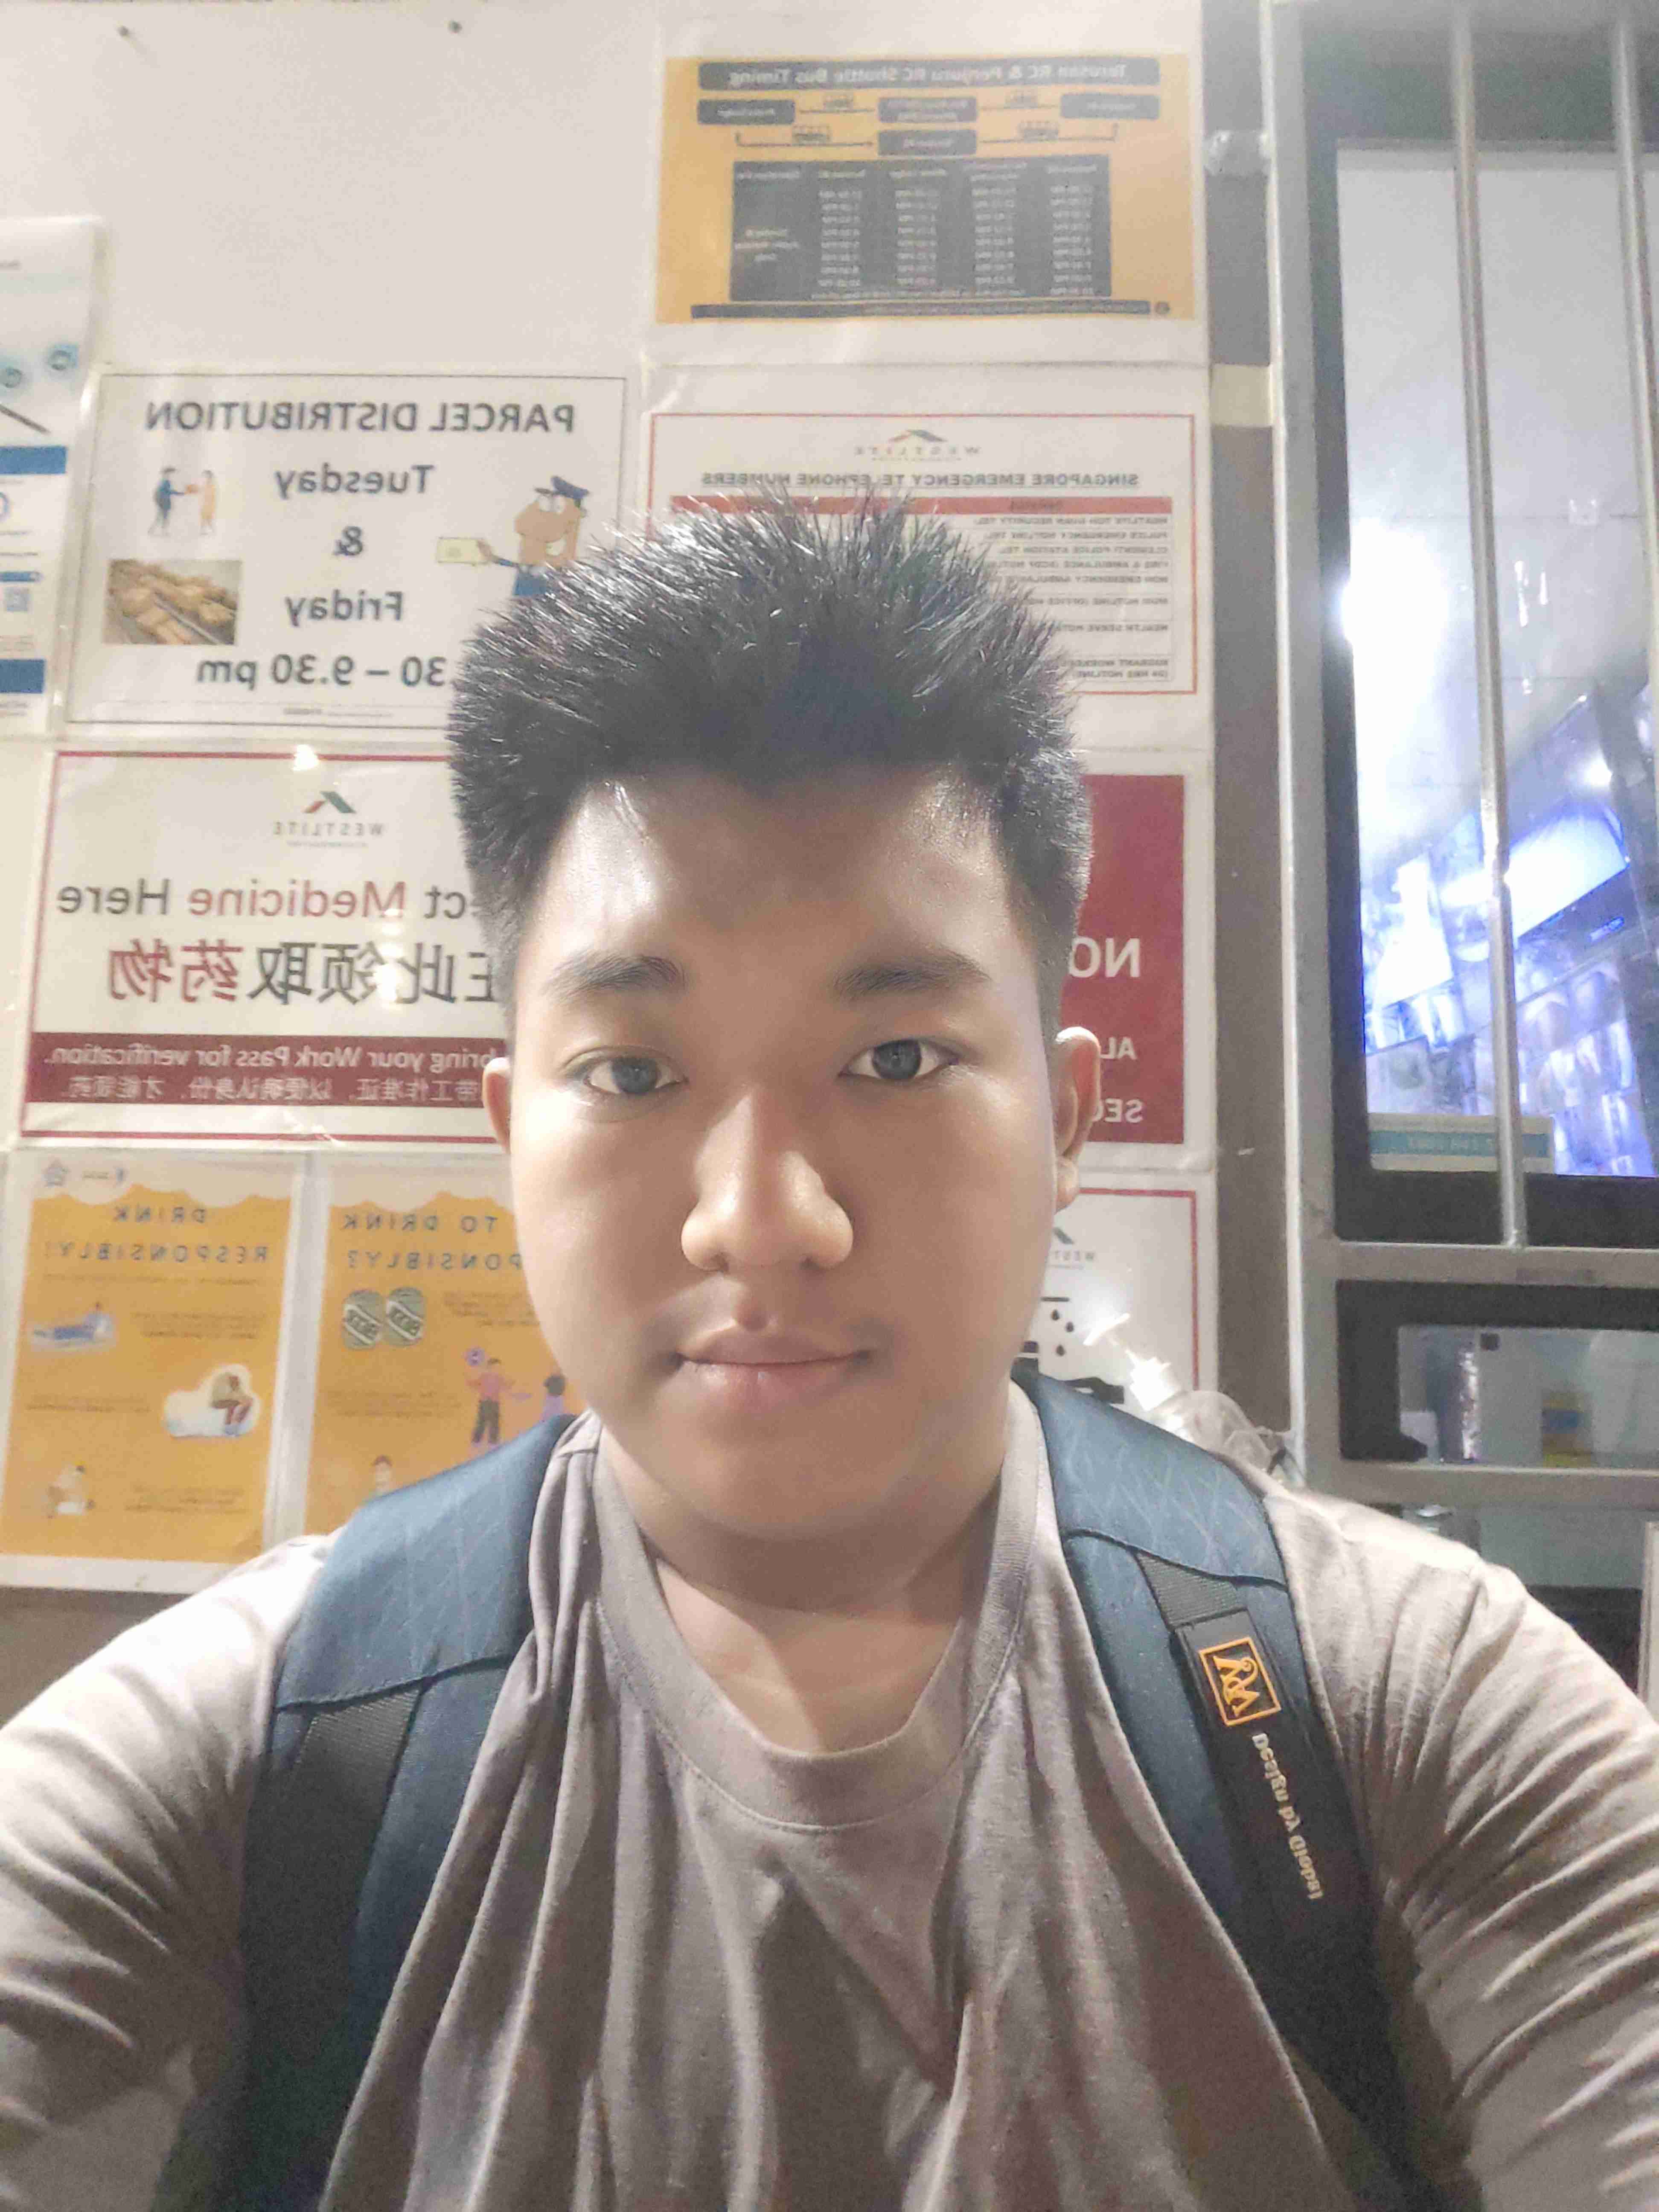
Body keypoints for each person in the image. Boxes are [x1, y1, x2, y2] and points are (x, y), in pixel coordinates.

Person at [1, 503, 1657, 2210]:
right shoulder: (240, 1764)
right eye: (634, 1075)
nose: (761, 1222)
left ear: (1068, 1118)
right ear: (510, 1135)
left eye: (897, 1059)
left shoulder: (1418, 1717)